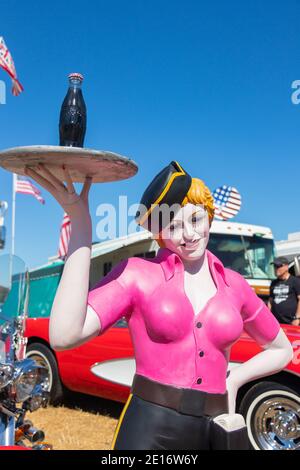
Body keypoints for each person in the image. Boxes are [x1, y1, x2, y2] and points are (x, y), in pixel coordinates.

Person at [24, 161, 293, 450]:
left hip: (216, 427)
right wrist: (81, 223)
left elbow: (281, 349)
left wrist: (235, 379)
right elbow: (64, 336)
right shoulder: (136, 274)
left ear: (210, 218)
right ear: (159, 233)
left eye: (195, 220)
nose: (188, 235)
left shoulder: (236, 285)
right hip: (151, 426)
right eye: (173, 226)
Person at [268, 256, 300, 326]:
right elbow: (270, 301)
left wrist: (297, 318)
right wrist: (269, 317)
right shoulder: (273, 283)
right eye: (275, 266)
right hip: (276, 323)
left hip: (292, 322)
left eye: (278, 266)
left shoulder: (295, 281)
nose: (276, 269)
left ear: (286, 267)